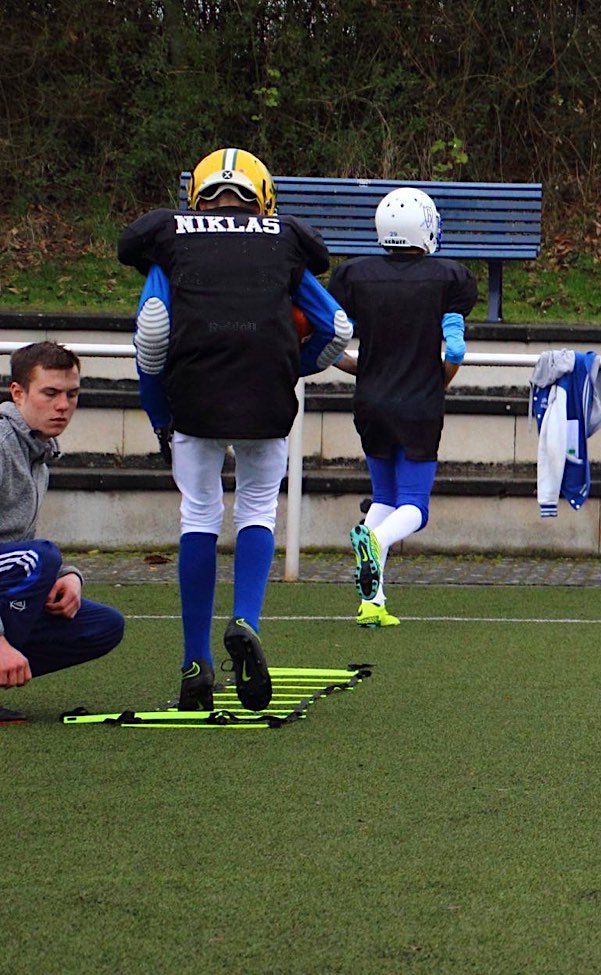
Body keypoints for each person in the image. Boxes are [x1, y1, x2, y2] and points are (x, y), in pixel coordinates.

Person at [118, 147, 352, 712]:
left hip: (192, 390)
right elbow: (337, 328)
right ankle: (244, 618)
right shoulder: (283, 237)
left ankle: (195, 661)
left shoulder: (171, 237)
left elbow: (152, 332)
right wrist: (286, 364)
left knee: (199, 514)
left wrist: (160, 415)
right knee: (256, 511)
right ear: (263, 197)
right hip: (265, 391)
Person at [328, 187, 476, 627]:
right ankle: (372, 542)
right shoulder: (448, 278)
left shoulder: (356, 275)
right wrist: (438, 382)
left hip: (370, 401)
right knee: (414, 505)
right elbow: (454, 351)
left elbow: (333, 345)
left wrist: (365, 369)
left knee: (386, 497)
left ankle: (372, 601)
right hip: (418, 404)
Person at [0, 342, 125, 721]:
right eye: (50, 393)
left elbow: (16, 545)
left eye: (72, 394)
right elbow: (28, 557)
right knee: (41, 558)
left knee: (101, 625)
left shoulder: (38, 452)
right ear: (18, 393)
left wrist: (68, 578)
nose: (63, 405)